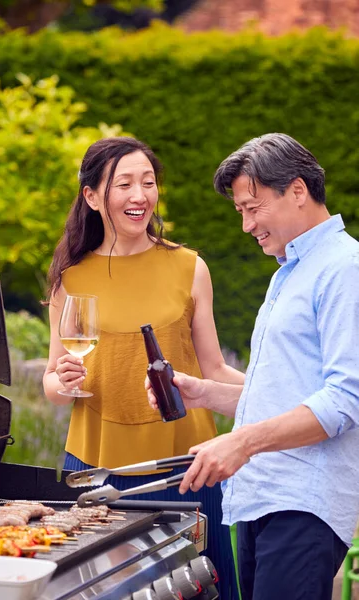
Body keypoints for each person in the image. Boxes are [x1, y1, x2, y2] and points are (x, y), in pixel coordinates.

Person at [147, 133, 359, 600]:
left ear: (298, 191)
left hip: (303, 506)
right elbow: (286, 394)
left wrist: (241, 442)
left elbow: (345, 401)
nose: (245, 225)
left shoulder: (345, 268)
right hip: (263, 499)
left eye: (252, 207)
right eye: (240, 210)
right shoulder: (291, 271)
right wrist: (204, 392)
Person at [43, 136, 245, 598]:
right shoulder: (70, 276)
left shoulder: (189, 267)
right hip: (99, 470)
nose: (140, 196)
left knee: (202, 590)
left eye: (148, 183)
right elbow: (53, 380)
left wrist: (283, 397)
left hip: (185, 469)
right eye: (124, 185)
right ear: (92, 197)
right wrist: (64, 382)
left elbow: (213, 367)